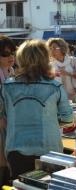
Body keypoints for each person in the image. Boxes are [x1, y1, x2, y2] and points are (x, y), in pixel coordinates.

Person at [0, 39, 73, 179]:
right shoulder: (54, 86)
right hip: (49, 149)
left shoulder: (7, 87)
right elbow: (68, 118)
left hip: (16, 149)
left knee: (21, 186)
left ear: (21, 59)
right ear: (45, 59)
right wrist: (50, 118)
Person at [0, 35, 16, 187]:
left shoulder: (11, 71)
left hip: (9, 125)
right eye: (5, 53)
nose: (11, 56)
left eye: (12, 52)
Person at [47, 38, 76, 102]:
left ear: (62, 48)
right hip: (57, 98)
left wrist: (69, 74)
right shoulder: (49, 65)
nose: (52, 50)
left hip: (74, 97)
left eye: (54, 48)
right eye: (50, 48)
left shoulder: (73, 60)